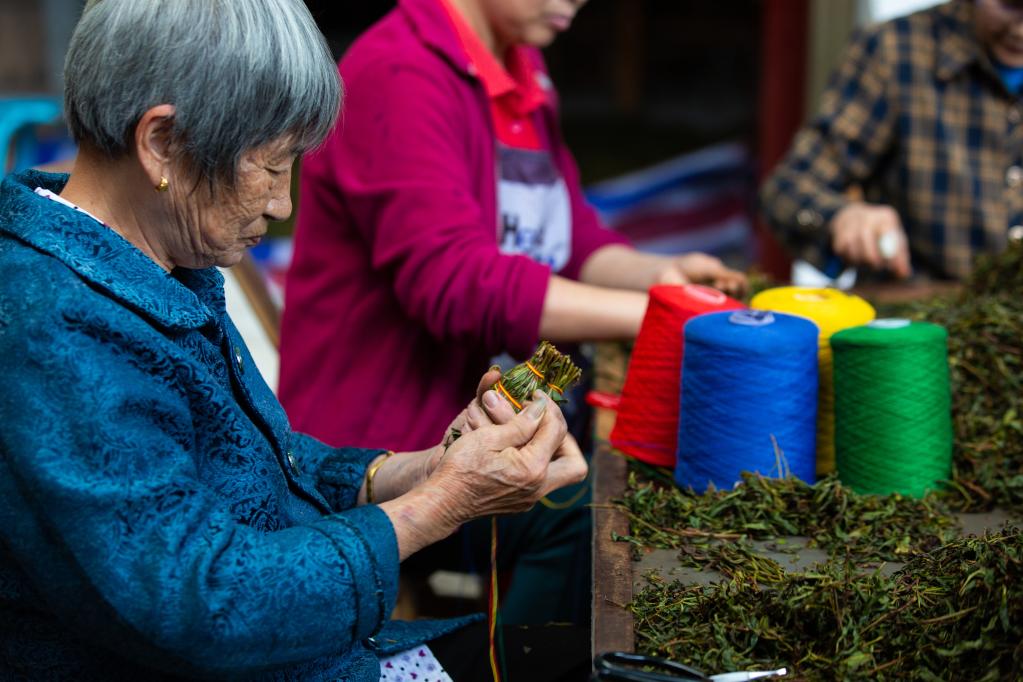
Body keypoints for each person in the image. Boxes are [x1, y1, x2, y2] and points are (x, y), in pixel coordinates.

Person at [0, 1, 590, 680]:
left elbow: (252, 468)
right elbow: (205, 599)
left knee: (579, 655)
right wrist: (443, 504)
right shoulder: (57, 327)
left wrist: (420, 469)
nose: (282, 204)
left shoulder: (151, 262)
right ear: (161, 142)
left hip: (305, 654)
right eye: (272, 166)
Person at [278, 0, 747, 623]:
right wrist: (653, 317)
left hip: (486, 421)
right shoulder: (399, 73)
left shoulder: (519, 64)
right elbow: (457, 282)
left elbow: (570, 235)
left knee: (614, 508)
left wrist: (661, 281)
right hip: (386, 452)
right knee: (592, 522)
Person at [761, 0, 1023, 282]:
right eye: (1010, 5)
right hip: (915, 313)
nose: (1020, 30)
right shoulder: (896, 50)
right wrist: (840, 217)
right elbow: (785, 189)